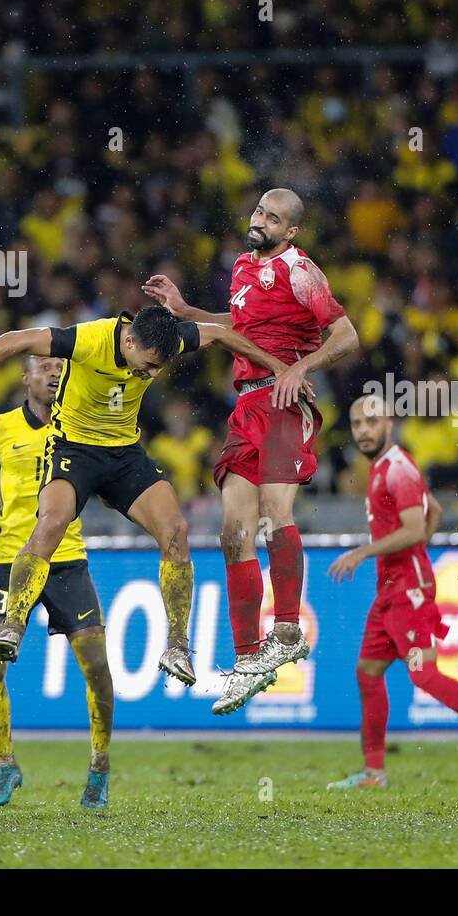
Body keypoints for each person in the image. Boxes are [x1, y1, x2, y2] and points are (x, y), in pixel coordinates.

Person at [0, 304, 283, 688]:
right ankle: (12, 625)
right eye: (147, 365)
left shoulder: (168, 338)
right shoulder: (87, 339)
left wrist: (276, 367)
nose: (152, 374)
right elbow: (17, 340)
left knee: (175, 529)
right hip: (73, 449)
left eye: (158, 368)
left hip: (123, 453)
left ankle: (177, 645)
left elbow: (222, 333)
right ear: (128, 340)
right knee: (53, 522)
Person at [143, 188, 359, 715]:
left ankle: (287, 629)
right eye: (260, 211)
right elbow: (240, 325)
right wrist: (185, 309)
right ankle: (247, 660)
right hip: (246, 408)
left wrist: (299, 369)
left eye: (274, 218)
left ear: (292, 232)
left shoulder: (300, 269)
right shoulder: (242, 267)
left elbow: (346, 334)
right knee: (233, 531)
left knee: (274, 513)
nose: (260, 221)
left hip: (285, 400)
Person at [325, 394, 458, 788]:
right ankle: (374, 772)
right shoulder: (388, 467)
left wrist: (365, 552)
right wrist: (412, 554)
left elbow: (417, 527)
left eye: (371, 422)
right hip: (393, 589)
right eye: (356, 424)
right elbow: (434, 511)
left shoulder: (398, 468)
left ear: (389, 423)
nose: (363, 431)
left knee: (423, 674)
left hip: (407, 592)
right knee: (368, 672)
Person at [0, 356, 113, 809]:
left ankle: (99, 767)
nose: (55, 373)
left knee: (96, 667)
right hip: (9, 563)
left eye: (61, 367)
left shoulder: (83, 426)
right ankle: (5, 765)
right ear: (26, 378)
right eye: (45, 367)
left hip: (67, 560)